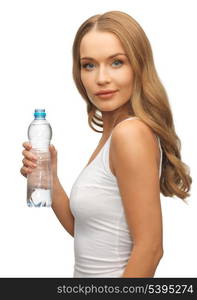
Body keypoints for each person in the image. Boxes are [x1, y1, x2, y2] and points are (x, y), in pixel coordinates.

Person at [20, 11, 192, 278]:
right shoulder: (113, 135)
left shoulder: (130, 134)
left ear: (139, 65)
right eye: (89, 65)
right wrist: (49, 178)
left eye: (116, 62)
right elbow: (88, 231)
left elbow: (150, 249)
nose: (101, 78)